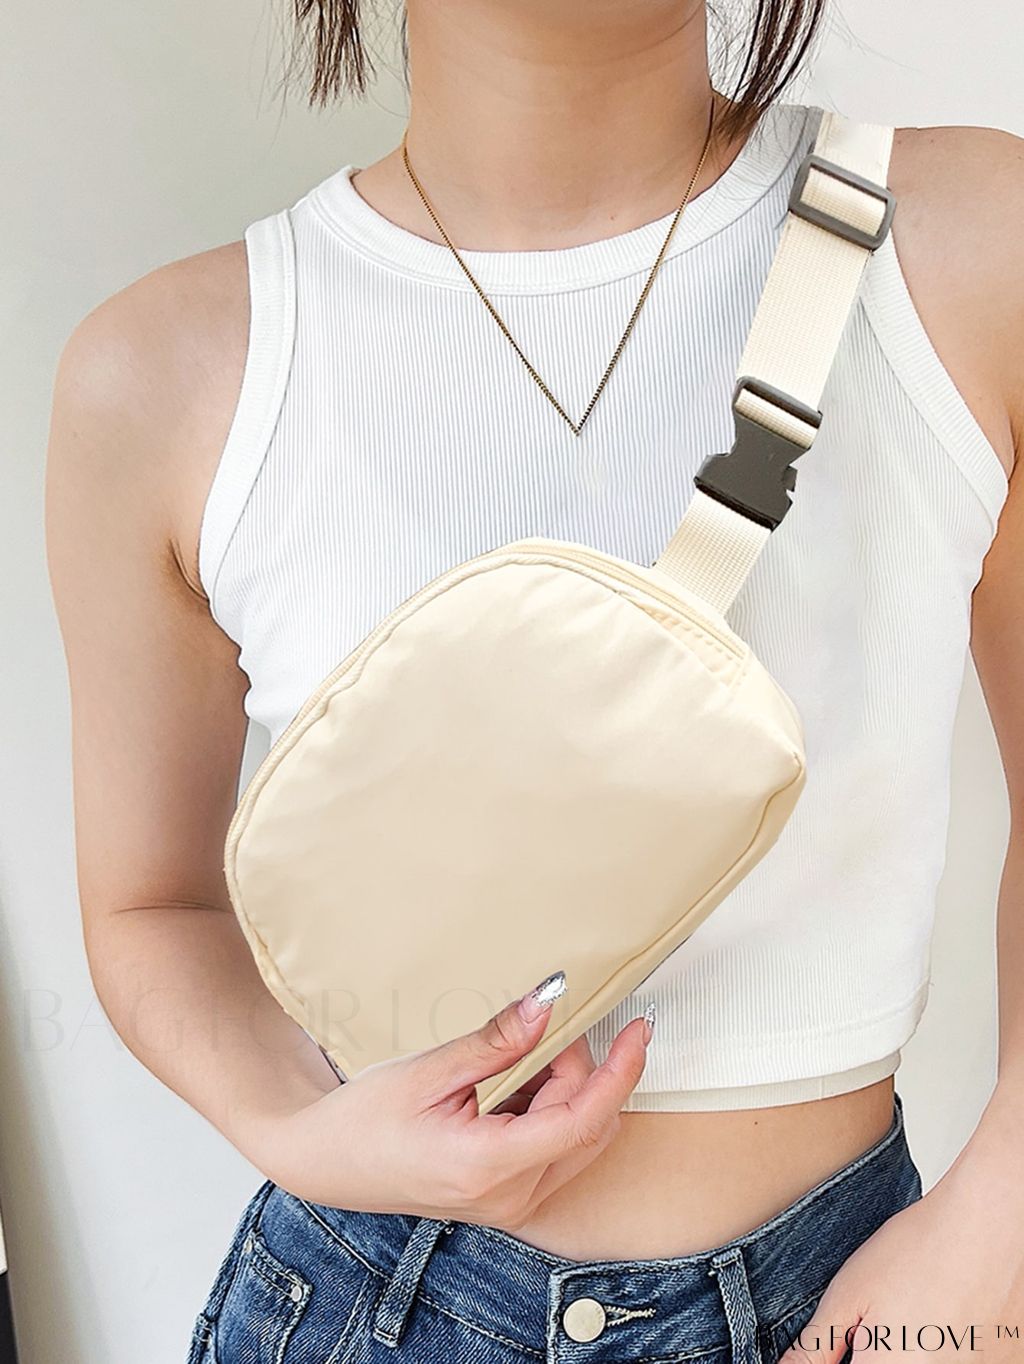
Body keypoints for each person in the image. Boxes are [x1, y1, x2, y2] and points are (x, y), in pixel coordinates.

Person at [44, 2, 1024, 1361]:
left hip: (857, 1304)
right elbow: (152, 906)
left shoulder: (968, 242)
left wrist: (999, 1230)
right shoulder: (162, 374)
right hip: (365, 1306)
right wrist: (296, 1129)